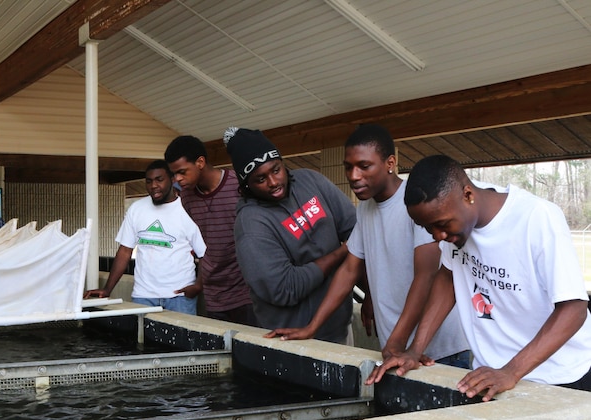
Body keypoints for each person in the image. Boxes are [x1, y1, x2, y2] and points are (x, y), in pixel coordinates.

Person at [367, 154, 591, 400]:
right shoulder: (456, 230)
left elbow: (574, 309)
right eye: (428, 229)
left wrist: (511, 371)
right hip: (492, 377)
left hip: (559, 378)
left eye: (442, 224)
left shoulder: (537, 217)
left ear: (468, 195)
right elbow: (447, 279)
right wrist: (415, 350)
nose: (438, 236)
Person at [268, 125, 469, 366]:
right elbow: (349, 270)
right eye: (348, 167)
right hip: (398, 349)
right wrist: (312, 327)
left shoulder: (418, 202)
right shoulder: (365, 209)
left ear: (390, 162)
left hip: (440, 351)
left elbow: (425, 277)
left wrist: (397, 341)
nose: (353, 176)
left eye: (364, 166)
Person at [224, 127, 357, 344]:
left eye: (276, 170)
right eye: (260, 179)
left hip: (340, 325)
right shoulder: (250, 224)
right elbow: (286, 288)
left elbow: (355, 228)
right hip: (293, 340)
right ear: (246, 185)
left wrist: (370, 293)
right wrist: (343, 251)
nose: (273, 182)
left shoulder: (310, 181)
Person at [84, 160, 206, 315]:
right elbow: (124, 251)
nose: (153, 185)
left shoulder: (187, 210)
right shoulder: (137, 209)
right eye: (149, 181)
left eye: (159, 180)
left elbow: (204, 254)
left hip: (180, 297)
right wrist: (108, 289)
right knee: (140, 340)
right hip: (143, 296)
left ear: (172, 179)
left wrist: (198, 286)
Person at [164, 135, 258, 326]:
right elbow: (204, 244)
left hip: (247, 293)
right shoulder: (186, 198)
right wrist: (199, 284)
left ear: (200, 162)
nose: (178, 179)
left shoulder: (239, 185)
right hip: (214, 296)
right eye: (174, 174)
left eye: (182, 172)